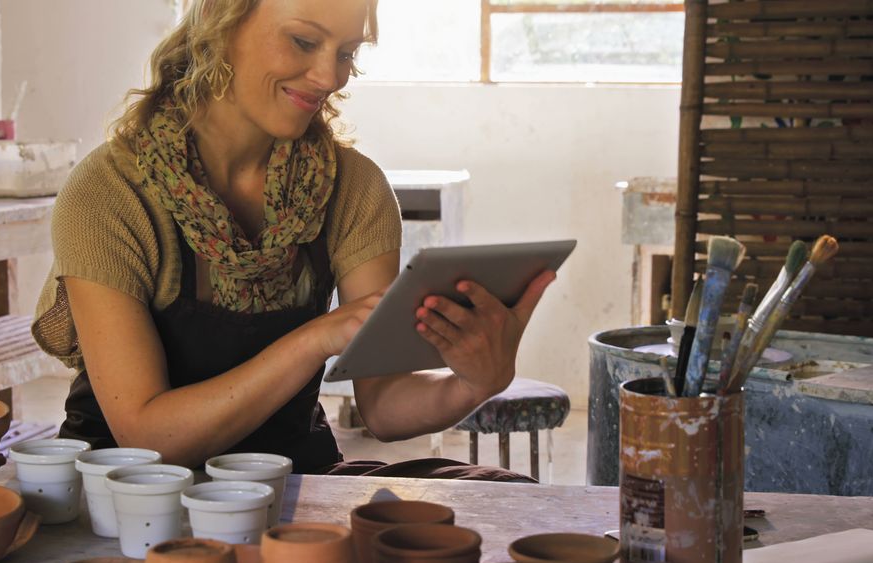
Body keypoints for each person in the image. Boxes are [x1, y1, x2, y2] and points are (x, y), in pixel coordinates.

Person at [32, 0, 556, 481]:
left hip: (291, 477)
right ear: (223, 22)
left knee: (511, 496)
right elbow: (149, 440)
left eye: (347, 52)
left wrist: (474, 381)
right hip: (127, 494)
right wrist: (314, 340)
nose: (329, 76)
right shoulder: (109, 192)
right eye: (304, 42)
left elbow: (383, 405)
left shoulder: (354, 187)